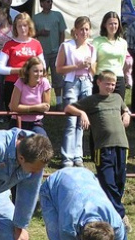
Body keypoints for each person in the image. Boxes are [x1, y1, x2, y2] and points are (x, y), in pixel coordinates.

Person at [65, 70, 132, 229]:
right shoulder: (92, 100)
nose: (110, 86)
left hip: (121, 145)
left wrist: (127, 113)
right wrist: (82, 113)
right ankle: (120, 216)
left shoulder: (117, 98)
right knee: (107, 182)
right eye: (107, 83)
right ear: (99, 83)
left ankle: (112, 214)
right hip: (103, 147)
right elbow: (69, 108)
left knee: (119, 181)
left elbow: (125, 108)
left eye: (113, 84)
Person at [56, 16, 95, 168]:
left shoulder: (91, 48)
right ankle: (67, 157)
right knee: (71, 120)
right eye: (81, 29)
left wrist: (90, 65)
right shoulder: (67, 46)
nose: (84, 32)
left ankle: (78, 155)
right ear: (76, 31)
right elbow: (59, 69)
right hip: (71, 82)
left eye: (87, 29)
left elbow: (94, 71)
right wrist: (76, 66)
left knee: (82, 122)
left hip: (86, 82)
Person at [0, 13, 45, 115]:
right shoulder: (9, 44)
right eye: (19, 26)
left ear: (29, 26)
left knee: (32, 114)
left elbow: (43, 65)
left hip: (31, 84)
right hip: (13, 83)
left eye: (25, 25)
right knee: (14, 115)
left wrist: (32, 72)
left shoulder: (36, 44)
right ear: (15, 27)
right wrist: (19, 71)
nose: (23, 29)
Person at [32, 0, 66, 109]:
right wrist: (40, 33)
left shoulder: (58, 15)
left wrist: (61, 47)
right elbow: (31, 34)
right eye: (47, 2)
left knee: (58, 78)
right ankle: (40, 100)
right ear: (41, 4)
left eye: (50, 2)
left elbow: (62, 32)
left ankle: (59, 103)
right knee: (40, 77)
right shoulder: (36, 18)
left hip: (56, 52)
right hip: (42, 53)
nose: (49, 3)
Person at [9, 56, 50, 136]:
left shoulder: (45, 83)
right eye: (35, 71)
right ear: (28, 72)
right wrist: (36, 108)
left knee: (43, 141)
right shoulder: (20, 82)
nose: (39, 74)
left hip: (36, 123)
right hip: (18, 121)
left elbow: (46, 106)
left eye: (41, 71)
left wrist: (23, 108)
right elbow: (14, 107)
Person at [93, 11, 129, 99]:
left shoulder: (123, 42)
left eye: (115, 24)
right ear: (105, 25)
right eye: (110, 24)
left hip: (118, 78)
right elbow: (93, 62)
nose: (113, 26)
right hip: (101, 78)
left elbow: (122, 62)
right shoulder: (97, 41)